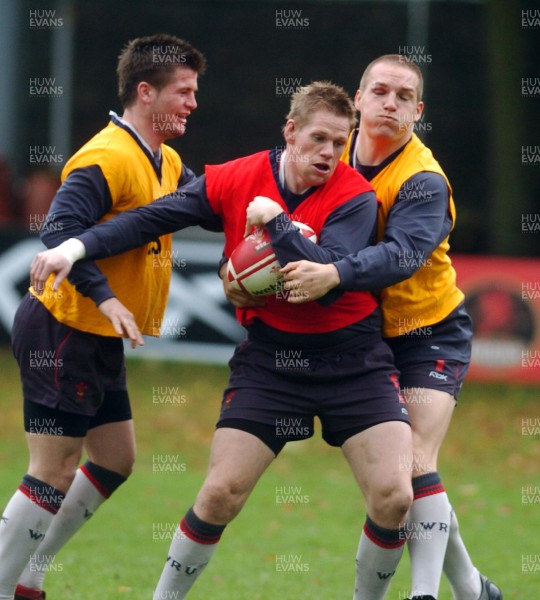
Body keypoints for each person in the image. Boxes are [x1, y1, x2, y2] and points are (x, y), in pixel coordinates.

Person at [30, 81, 413, 600]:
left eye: (340, 143)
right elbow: (148, 219)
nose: (329, 153)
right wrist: (73, 248)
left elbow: (324, 278)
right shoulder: (237, 177)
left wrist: (275, 223)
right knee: (220, 494)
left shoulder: (355, 196)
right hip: (271, 361)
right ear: (291, 130)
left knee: (394, 497)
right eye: (319, 139)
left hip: (354, 359)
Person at [274, 55, 502, 600]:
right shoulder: (334, 153)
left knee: (414, 463)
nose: (389, 103)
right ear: (357, 99)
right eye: (379, 91)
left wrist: (331, 272)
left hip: (428, 333)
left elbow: (400, 257)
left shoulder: (422, 180)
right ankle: (470, 587)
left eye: (403, 96)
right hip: (368, 334)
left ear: (417, 112)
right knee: (399, 482)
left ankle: (424, 593)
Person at [0, 34, 206, 600]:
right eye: (183, 92)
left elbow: (209, 201)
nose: (192, 103)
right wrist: (106, 295)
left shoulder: (166, 159)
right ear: (146, 92)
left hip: (96, 338)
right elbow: (58, 233)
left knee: (114, 460)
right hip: (61, 331)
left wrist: (271, 200)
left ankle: (29, 572)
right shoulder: (106, 157)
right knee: (51, 471)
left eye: (194, 92)